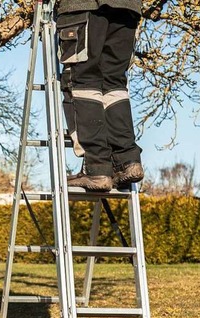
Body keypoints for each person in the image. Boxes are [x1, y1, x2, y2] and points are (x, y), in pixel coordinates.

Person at [57, 0, 144, 191]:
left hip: (85, 6)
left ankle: (97, 169)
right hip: (127, 8)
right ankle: (127, 161)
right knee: (114, 84)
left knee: (80, 81)